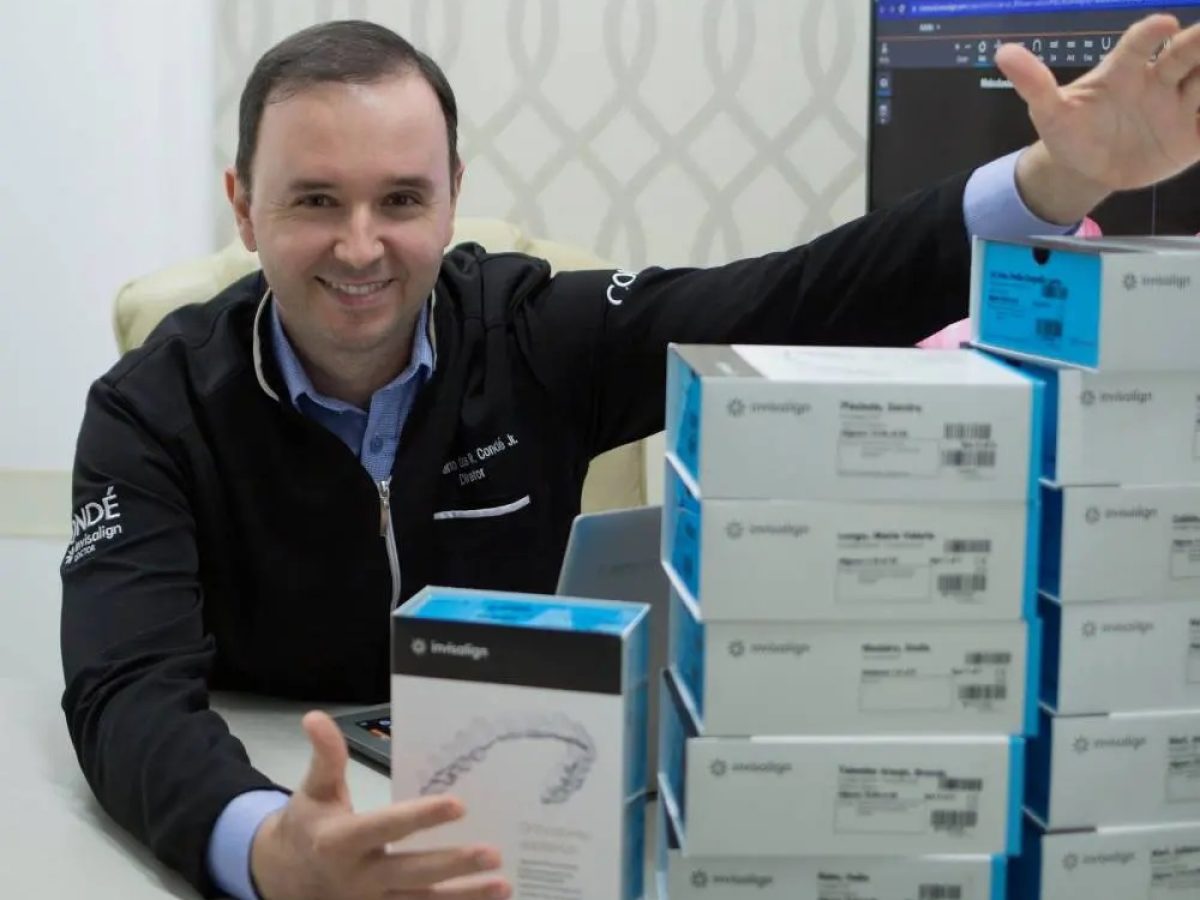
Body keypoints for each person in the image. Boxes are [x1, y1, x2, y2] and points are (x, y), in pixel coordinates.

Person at [59, 14, 1200, 900]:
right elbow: (123, 691)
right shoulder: (151, 411)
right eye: (316, 200)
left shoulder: (534, 335)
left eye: (401, 199)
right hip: (281, 777)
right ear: (243, 208)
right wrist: (266, 847)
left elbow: (795, 296)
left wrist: (1057, 182)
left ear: (453, 199)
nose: (362, 247)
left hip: (531, 808)